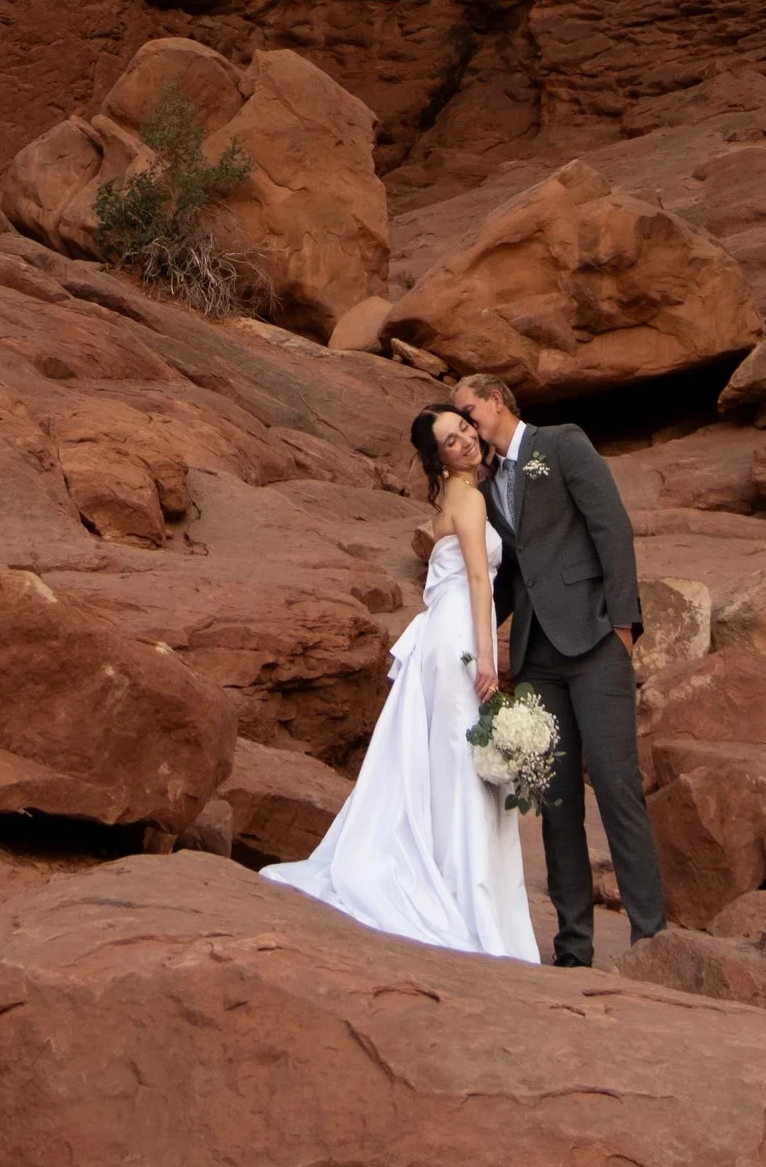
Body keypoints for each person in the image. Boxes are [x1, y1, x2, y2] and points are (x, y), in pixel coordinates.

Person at [261, 403, 539, 960]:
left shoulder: (449, 499)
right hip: (459, 634)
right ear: (437, 460)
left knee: (447, 758)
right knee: (462, 764)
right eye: (450, 441)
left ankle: (448, 879)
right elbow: (480, 580)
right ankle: (464, 900)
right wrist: (488, 658)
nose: (463, 441)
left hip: (444, 632)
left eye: (464, 430)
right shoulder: (469, 496)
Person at [450, 369, 667, 961]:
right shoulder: (487, 484)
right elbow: (507, 572)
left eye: (469, 411)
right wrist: (460, 630)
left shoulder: (562, 443)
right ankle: (574, 944)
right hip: (537, 657)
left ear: (497, 401)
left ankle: (651, 936)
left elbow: (611, 528)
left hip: (595, 642)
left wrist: (623, 627)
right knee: (556, 799)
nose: (467, 424)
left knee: (618, 786)